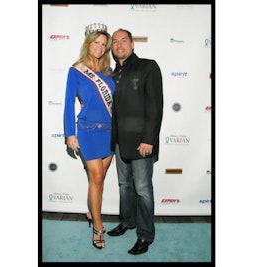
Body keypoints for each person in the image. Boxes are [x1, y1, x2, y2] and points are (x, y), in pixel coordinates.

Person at [107, 28, 163, 255]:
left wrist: (149, 139)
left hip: (142, 143)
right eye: (115, 41)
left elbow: (155, 106)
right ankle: (127, 221)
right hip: (120, 141)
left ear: (132, 45)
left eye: (123, 40)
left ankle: (145, 235)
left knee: (142, 189)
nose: (119, 44)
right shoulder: (112, 74)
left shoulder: (148, 66)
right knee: (124, 185)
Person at [63, 23, 115, 249]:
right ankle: (98, 226)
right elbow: (67, 104)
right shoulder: (76, 70)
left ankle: (91, 211)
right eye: (96, 42)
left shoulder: (109, 73)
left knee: (99, 178)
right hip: (88, 132)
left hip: (110, 132)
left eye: (104, 44)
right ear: (88, 43)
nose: (100, 47)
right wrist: (69, 134)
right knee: (96, 178)